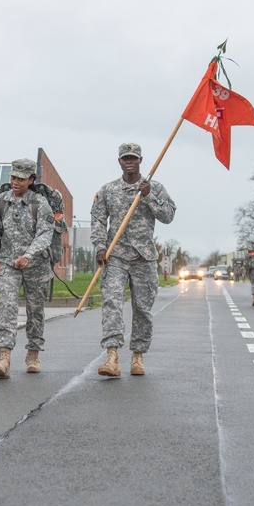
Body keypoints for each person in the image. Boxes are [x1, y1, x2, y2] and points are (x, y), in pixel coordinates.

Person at [91, 143, 176, 377]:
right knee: (112, 303)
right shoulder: (108, 190)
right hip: (115, 255)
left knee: (142, 309)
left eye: (133, 158)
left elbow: (168, 215)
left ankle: (138, 356)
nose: (129, 162)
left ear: (141, 160)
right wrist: (100, 247)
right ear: (119, 161)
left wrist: (148, 197)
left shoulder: (154, 188)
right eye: (125, 158)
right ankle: (112, 356)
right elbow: (98, 219)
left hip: (144, 257)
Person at [0, 158, 55, 378]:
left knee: (35, 311)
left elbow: (45, 234)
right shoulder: (1, 202)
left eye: (21, 178)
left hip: (36, 265)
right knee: (7, 306)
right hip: (9, 264)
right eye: (13, 178)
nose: (16, 182)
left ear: (31, 179)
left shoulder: (39, 204)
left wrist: (28, 256)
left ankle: (33, 353)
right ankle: (3, 357)